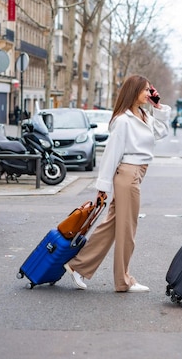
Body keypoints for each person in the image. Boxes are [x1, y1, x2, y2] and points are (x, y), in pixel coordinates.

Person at [64, 74, 171, 293]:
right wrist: (102, 187)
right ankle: (123, 280)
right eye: (146, 90)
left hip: (136, 174)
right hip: (128, 175)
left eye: (150, 90)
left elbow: (162, 132)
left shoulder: (143, 115)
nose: (149, 93)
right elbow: (112, 154)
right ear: (134, 92)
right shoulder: (123, 120)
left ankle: (78, 266)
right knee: (127, 230)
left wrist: (157, 107)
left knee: (111, 227)